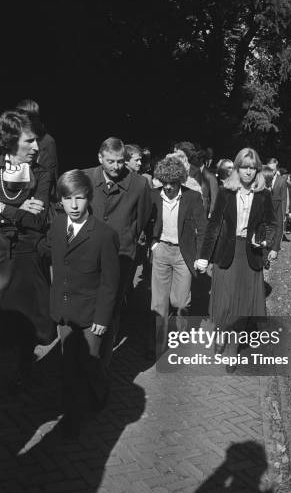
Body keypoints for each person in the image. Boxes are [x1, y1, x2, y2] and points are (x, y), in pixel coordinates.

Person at [42, 170, 120, 438]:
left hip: (90, 314)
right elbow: (51, 256)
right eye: (67, 199)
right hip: (64, 312)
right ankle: (73, 418)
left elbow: (111, 283)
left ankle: (99, 392)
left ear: (89, 198)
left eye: (79, 198)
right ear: (60, 201)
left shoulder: (104, 235)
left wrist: (102, 318)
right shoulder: (56, 225)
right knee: (69, 365)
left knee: (91, 363)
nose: (73, 206)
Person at [195, 148, 274, 371]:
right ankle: (220, 332)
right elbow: (213, 226)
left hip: (250, 256)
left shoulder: (263, 194)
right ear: (237, 168)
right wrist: (204, 257)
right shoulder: (225, 192)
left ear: (257, 169)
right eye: (244, 167)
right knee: (223, 305)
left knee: (241, 309)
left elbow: (271, 224)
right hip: (225, 254)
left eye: (252, 167)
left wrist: (265, 240)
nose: (248, 172)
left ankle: (232, 352)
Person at [83, 137, 152, 363]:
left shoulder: (139, 184)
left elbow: (141, 218)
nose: (116, 167)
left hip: (120, 253)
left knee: (112, 303)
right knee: (87, 300)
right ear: (100, 158)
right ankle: (85, 346)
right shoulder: (85, 178)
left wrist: (128, 236)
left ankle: (104, 354)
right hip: (87, 252)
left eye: (121, 161)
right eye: (110, 161)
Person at [0, 109, 55, 389]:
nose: (36, 147)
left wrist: (4, 210)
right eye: (29, 142)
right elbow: (24, 213)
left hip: (26, 255)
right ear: (10, 142)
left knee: (30, 321)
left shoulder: (40, 172)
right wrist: (15, 209)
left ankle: (23, 368)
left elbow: (38, 217)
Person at [149, 155, 206, 354]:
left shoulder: (192, 197)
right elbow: (145, 222)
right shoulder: (153, 195)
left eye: (172, 183)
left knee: (180, 302)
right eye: (164, 183)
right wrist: (153, 244)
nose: (168, 187)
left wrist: (201, 256)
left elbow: (203, 228)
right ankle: (159, 344)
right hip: (162, 250)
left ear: (180, 180)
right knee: (158, 302)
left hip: (184, 253)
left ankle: (180, 339)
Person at [16, 99, 58, 189]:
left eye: (30, 117)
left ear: (36, 118)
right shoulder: (15, 138)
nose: (26, 121)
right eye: (22, 118)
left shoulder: (47, 141)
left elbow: (50, 172)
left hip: (39, 187)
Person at [267, 158, 287, 259]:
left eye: (274, 169)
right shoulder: (263, 178)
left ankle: (274, 248)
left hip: (277, 209)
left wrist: (284, 213)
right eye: (270, 169)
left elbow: (284, 198)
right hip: (265, 210)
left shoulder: (282, 180)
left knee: (278, 227)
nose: (272, 172)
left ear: (276, 169)